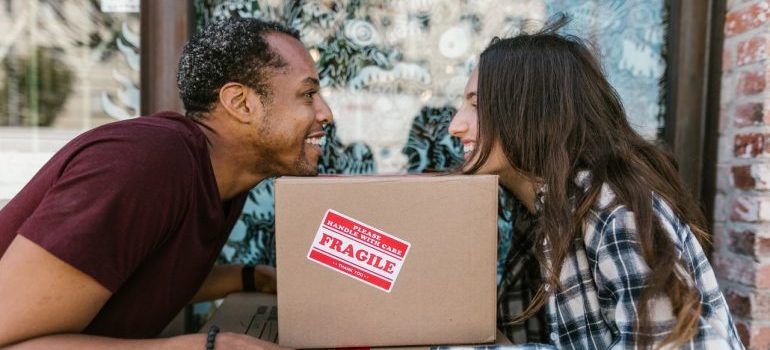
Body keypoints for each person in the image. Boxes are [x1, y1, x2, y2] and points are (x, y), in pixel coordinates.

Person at [0, 18, 332, 349]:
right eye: (308, 94)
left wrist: (247, 277)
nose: (325, 113)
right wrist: (203, 346)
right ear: (241, 103)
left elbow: (123, 275)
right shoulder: (146, 165)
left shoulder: (222, 180)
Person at [448, 17, 745, 349]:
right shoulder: (544, 212)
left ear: (529, 113)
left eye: (475, 106)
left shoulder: (611, 209)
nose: (454, 125)